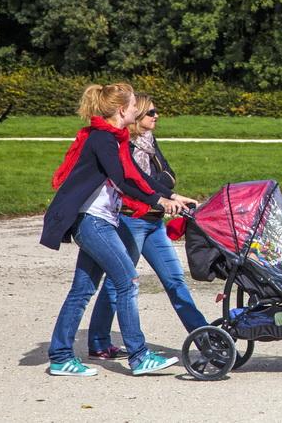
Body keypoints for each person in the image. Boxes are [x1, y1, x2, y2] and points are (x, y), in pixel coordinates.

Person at [41, 83, 194, 377]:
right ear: (123, 110)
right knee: (127, 281)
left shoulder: (114, 138)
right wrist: (159, 201)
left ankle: (60, 357)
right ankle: (139, 356)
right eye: (135, 104)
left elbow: (136, 174)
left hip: (98, 221)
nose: (138, 109)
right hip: (92, 222)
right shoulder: (103, 139)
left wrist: (171, 196)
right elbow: (123, 180)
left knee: (82, 290)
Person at [87, 94, 208, 359]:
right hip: (132, 220)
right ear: (136, 115)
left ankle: (206, 340)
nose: (156, 116)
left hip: (154, 222)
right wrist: (159, 191)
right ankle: (98, 340)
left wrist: (165, 192)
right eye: (151, 112)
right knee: (119, 282)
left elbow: (168, 176)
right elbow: (133, 185)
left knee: (175, 280)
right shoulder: (123, 145)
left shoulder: (149, 141)